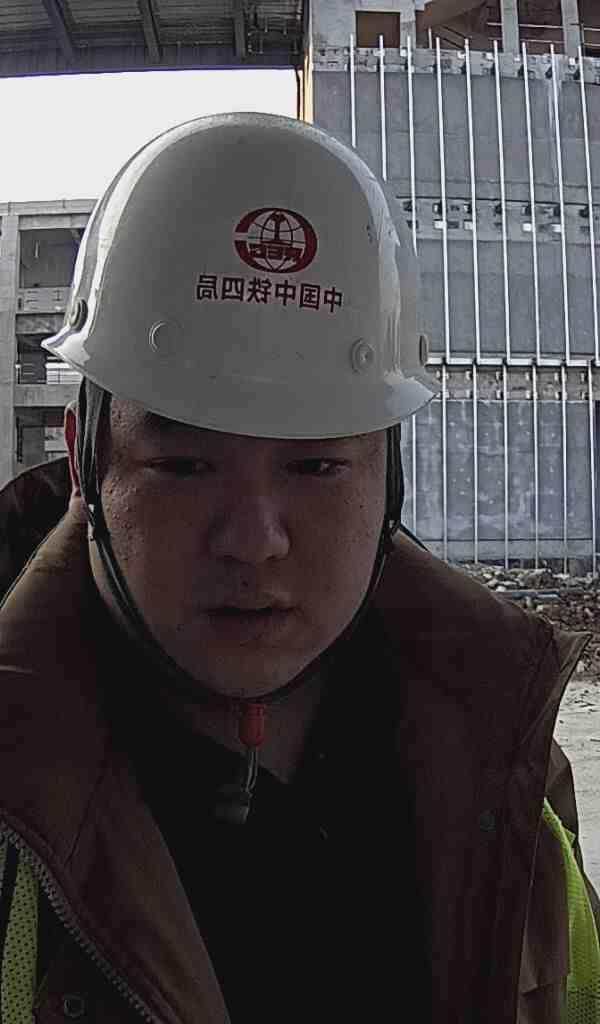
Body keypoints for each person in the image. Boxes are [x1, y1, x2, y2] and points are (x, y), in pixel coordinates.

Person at [0, 112, 598, 1024]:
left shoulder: (503, 767)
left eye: (315, 466)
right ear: (86, 460)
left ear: (389, 476)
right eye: (184, 465)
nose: (255, 540)